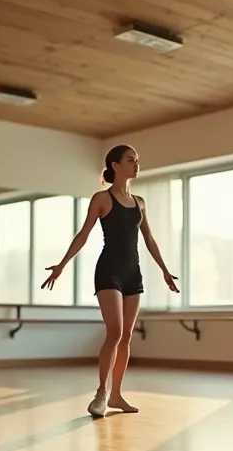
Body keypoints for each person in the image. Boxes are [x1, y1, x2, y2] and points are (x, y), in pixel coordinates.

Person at [40, 145, 179, 418]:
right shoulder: (102, 199)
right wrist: (62, 264)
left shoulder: (140, 202)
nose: (137, 164)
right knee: (114, 332)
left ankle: (116, 395)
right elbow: (83, 234)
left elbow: (148, 239)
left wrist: (164, 269)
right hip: (108, 272)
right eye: (131, 160)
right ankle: (101, 394)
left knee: (126, 336)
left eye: (137, 160)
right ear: (115, 166)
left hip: (133, 273)